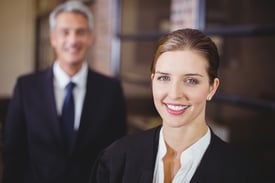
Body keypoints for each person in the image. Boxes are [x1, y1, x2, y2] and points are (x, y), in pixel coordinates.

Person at [90, 28, 258, 183]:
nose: (174, 94)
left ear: (212, 88)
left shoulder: (243, 173)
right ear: (153, 81)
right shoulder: (117, 158)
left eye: (191, 80)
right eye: (164, 78)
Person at [3, 1, 127, 183]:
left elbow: (117, 154)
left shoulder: (111, 90)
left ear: (91, 37)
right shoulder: (26, 88)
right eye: (65, 32)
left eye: (80, 32)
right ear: (53, 38)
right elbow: (13, 154)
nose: (73, 40)